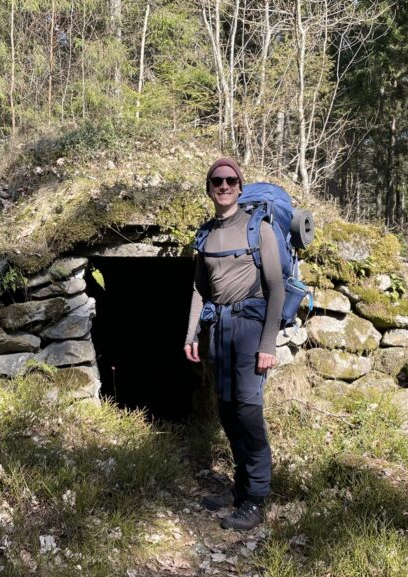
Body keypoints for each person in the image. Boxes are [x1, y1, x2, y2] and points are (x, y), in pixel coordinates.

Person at [184, 158, 284, 531]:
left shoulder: (260, 230)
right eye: (216, 181)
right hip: (219, 331)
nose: (223, 186)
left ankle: (256, 499)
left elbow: (276, 288)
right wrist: (190, 334)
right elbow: (199, 288)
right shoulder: (206, 234)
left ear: (240, 187)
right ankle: (241, 491)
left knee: (248, 414)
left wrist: (268, 344)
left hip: (250, 329)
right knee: (227, 411)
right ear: (208, 188)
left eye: (230, 180)